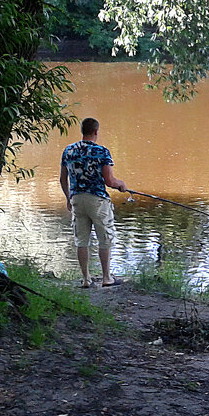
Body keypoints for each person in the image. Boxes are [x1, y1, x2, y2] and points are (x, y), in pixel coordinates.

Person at [59, 117, 128, 288]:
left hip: (77, 199)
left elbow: (62, 179)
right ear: (96, 131)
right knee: (105, 238)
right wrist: (122, 185)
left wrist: (68, 198)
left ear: (82, 131)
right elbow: (110, 181)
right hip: (97, 200)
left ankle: (86, 279)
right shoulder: (102, 151)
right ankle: (106, 278)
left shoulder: (68, 151)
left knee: (81, 240)